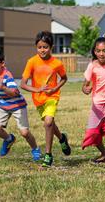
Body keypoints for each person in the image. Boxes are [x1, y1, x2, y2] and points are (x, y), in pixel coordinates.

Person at [21, 31, 71, 167]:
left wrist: (55, 89)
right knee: (50, 124)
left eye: (45, 47)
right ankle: (62, 138)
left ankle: (48, 155)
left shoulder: (57, 63)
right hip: (38, 99)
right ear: (36, 47)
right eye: (39, 47)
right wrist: (37, 89)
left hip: (52, 97)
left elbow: (64, 78)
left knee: (48, 123)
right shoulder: (31, 62)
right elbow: (23, 84)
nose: (42, 50)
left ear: (51, 47)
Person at [0, 49, 41, 161]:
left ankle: (35, 149)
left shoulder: (7, 76)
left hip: (17, 105)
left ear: (2, 63)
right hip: (2, 105)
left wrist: (3, 88)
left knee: (24, 132)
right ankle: (9, 139)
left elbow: (15, 92)